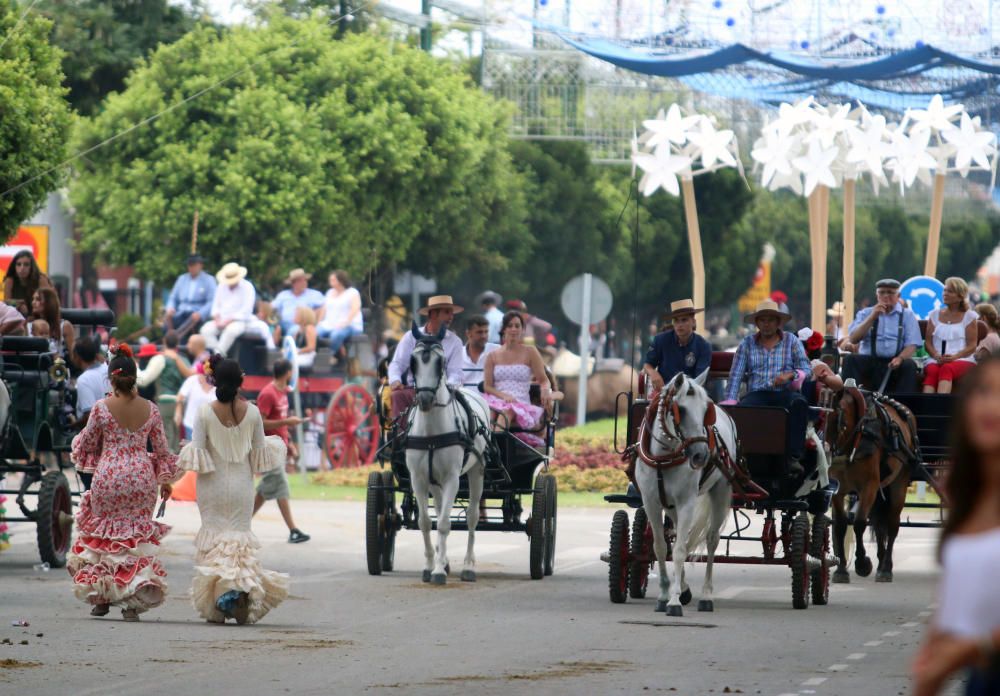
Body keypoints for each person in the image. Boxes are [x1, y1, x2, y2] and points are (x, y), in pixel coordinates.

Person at [66, 343, 179, 622]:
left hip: (109, 477)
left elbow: (88, 442)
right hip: (141, 479)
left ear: (111, 379)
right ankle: (131, 602)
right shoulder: (151, 410)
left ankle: (102, 598)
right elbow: (163, 451)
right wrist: (164, 478)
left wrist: (79, 443)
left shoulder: (101, 408)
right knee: (133, 541)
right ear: (134, 378)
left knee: (106, 539)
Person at [911, 356, 1000, 696]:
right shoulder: (968, 501)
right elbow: (952, 608)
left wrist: (964, 651)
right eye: (982, 391)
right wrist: (930, 660)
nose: (990, 405)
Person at [177, 356, 290, 624]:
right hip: (242, 486)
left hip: (211, 486)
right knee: (238, 542)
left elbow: (197, 451)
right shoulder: (251, 412)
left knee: (215, 541)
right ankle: (238, 599)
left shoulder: (204, 412)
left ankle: (219, 601)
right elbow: (260, 456)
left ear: (214, 380)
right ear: (240, 382)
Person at [724, 299, 811, 472]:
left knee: (799, 403)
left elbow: (806, 369)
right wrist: (730, 402)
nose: (766, 324)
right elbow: (736, 375)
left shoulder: (791, 341)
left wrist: (790, 375)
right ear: (757, 323)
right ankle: (742, 456)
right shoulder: (746, 344)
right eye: (762, 320)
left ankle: (794, 457)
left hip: (784, 393)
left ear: (778, 322)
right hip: (757, 393)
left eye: (770, 320)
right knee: (744, 410)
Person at [252, 359, 310, 544]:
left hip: (280, 445)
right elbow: (260, 423)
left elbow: (282, 421)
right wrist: (286, 423)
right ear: (288, 373)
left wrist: (290, 442)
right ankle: (293, 530)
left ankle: (241, 523)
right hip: (269, 446)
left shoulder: (283, 392)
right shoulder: (268, 394)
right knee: (280, 484)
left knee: (267, 488)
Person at [387, 295, 465, 419]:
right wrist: (395, 380)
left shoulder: (455, 342)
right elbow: (398, 364)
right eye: (447, 312)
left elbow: (455, 373)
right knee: (397, 396)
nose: (451, 317)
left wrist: (446, 388)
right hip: (414, 390)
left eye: (452, 313)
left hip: (443, 392)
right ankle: (400, 436)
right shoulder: (410, 337)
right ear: (433, 314)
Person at [483, 311, 553, 447]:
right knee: (492, 414)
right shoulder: (492, 355)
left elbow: (544, 380)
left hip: (520, 403)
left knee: (506, 412)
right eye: (510, 326)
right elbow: (487, 386)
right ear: (503, 329)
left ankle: (495, 450)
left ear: (522, 329)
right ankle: (487, 448)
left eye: (517, 326)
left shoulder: (530, 352)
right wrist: (503, 395)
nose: (514, 329)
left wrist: (545, 390)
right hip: (497, 399)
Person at [841, 279, 921, 393]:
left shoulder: (907, 315)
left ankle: (903, 405)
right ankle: (850, 399)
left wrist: (900, 358)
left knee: (909, 365)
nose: (886, 296)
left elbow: (912, 344)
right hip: (869, 360)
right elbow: (854, 338)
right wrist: (872, 317)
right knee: (850, 359)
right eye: (882, 292)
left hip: (894, 361)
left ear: (898, 296)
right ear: (877, 295)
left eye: (890, 292)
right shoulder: (865, 313)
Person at [642, 298, 712, 394]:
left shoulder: (704, 346)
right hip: (663, 393)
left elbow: (699, 380)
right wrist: (653, 373)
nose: (679, 325)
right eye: (676, 320)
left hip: (690, 394)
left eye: (684, 320)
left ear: (693, 322)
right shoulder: (660, 340)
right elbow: (648, 365)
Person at [923, 277, 979, 394]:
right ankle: (926, 408)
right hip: (936, 359)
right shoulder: (934, 315)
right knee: (932, 370)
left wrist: (955, 357)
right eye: (945, 290)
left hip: (963, 358)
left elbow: (972, 346)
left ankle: (940, 407)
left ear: (960, 296)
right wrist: (935, 355)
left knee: (947, 368)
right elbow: (928, 342)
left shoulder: (969, 317)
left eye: (950, 291)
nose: (945, 294)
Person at [136, 332, 190, 450]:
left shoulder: (160, 358)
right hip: (181, 403)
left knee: (166, 440)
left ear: (164, 342)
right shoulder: (184, 359)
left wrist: (135, 367)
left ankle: (168, 468)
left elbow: (143, 380)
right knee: (178, 442)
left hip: (165, 402)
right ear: (177, 343)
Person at [201, 262, 256, 357]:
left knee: (231, 331)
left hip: (239, 321)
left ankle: (216, 357)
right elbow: (215, 307)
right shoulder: (221, 286)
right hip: (220, 320)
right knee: (205, 330)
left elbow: (246, 311)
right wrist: (217, 320)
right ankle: (218, 356)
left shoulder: (248, 287)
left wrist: (229, 320)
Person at [164, 253, 216, 336]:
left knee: (186, 333)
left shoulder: (209, 280)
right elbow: (173, 298)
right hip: (180, 313)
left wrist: (201, 313)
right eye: (190, 265)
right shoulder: (181, 279)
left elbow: (211, 301)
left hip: (196, 316)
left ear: (200, 265)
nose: (192, 267)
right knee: (166, 327)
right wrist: (170, 308)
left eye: (194, 265)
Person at [316, 270, 363, 354]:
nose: (330, 282)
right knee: (315, 333)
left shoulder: (352, 292)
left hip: (349, 325)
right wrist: (319, 322)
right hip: (329, 324)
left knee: (336, 335)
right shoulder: (329, 293)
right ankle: (317, 354)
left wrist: (346, 322)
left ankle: (331, 354)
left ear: (341, 280)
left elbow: (355, 308)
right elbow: (324, 309)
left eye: (333, 280)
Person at [272, 268, 324, 338]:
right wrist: (275, 321)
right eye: (301, 281)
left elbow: (323, 309)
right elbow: (273, 308)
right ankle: (272, 347)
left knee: (294, 329)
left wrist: (315, 322)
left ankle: (288, 347)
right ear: (294, 283)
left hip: (303, 325)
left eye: (305, 280)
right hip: (283, 323)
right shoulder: (283, 295)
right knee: (273, 328)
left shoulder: (314, 295)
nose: (305, 282)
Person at [175, 361, 217, 442]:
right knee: (193, 451)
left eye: (204, 374)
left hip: (211, 427)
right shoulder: (192, 380)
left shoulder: (217, 385)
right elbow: (180, 397)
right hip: (191, 424)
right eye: (200, 373)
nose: (201, 376)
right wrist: (178, 412)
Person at [30, 287, 75, 359]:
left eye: (38, 299)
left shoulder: (64, 326)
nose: (33, 302)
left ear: (49, 302)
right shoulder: (29, 325)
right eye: (33, 299)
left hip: (56, 367)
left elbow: (73, 356)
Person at [3, 250, 52, 315]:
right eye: (18, 264)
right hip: (17, 316)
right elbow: (7, 302)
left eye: (26, 264)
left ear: (31, 267)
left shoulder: (40, 279)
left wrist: (34, 316)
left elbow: (48, 302)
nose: (22, 268)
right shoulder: (10, 280)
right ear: (14, 266)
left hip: (41, 315)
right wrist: (19, 303)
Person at [462, 314, 499, 388]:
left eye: (486, 332)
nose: (484, 336)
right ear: (468, 334)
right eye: (479, 332)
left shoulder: (497, 351)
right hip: (462, 398)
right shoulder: (457, 354)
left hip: (490, 398)